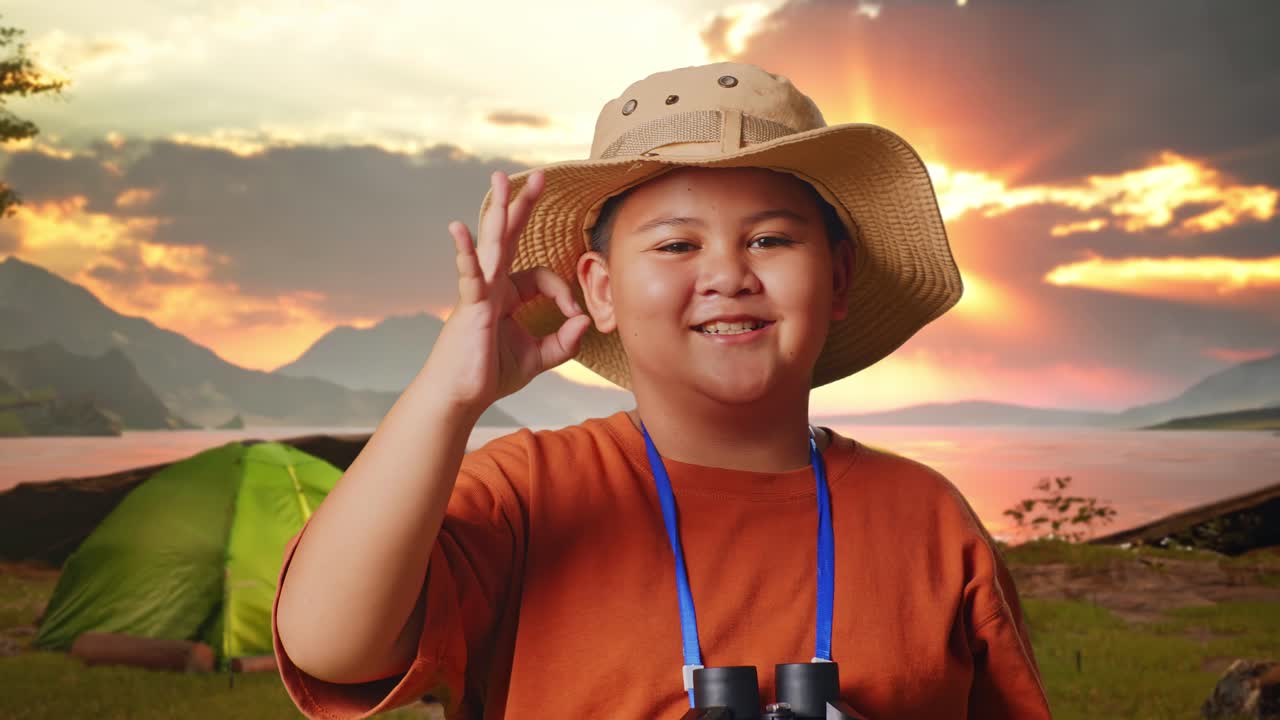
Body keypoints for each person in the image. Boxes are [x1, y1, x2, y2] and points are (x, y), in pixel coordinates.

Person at [271, 62, 1053, 719]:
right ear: (600, 290)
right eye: (677, 244)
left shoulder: (926, 520)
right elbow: (332, 647)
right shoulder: (527, 492)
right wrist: (448, 394)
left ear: (839, 277)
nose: (726, 276)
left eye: (771, 239)